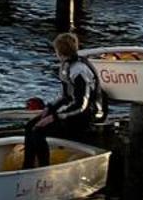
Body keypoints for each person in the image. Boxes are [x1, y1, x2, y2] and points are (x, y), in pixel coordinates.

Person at [24, 33, 101, 169]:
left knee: (38, 130)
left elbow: (81, 105)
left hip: (84, 115)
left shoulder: (79, 70)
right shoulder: (66, 66)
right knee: (30, 126)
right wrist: (50, 108)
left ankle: (44, 167)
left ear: (60, 51)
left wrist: (54, 117)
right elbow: (65, 96)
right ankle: (28, 166)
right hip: (71, 110)